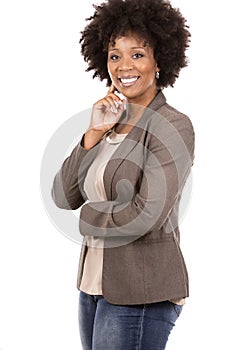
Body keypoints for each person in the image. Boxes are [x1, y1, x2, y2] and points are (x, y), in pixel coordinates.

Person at [52, 0, 195, 348]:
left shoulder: (173, 125)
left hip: (141, 293)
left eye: (137, 54)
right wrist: (92, 134)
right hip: (93, 288)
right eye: (115, 55)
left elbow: (145, 215)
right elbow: (62, 195)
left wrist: (87, 216)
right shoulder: (110, 125)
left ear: (159, 60)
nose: (124, 66)